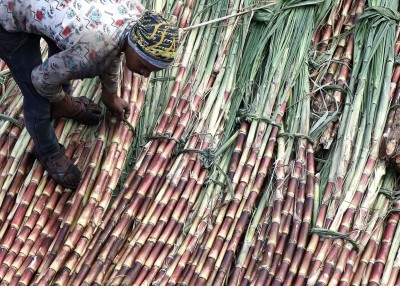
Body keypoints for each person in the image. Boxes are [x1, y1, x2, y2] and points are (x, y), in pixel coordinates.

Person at [0, 1, 179, 189]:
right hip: (9, 12)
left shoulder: (137, 16)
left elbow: (115, 49)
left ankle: (61, 97)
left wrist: (110, 95)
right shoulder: (91, 53)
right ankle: (47, 151)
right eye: (145, 66)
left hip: (56, 9)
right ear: (135, 46)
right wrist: (65, 102)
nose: (145, 75)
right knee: (37, 97)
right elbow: (40, 78)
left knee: (65, 45)